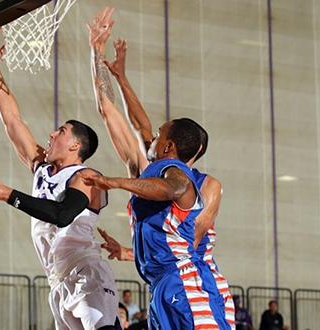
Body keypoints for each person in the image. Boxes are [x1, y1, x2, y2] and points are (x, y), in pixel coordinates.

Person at [87, 7, 233, 329]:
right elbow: (114, 114)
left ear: (170, 148)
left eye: (158, 136)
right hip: (162, 285)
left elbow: (185, 222)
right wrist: (100, 59)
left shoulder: (199, 183)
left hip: (191, 283)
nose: (150, 136)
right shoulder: (154, 167)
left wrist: (113, 182)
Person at [0, 34, 119, 330]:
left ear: (76, 146)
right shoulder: (41, 168)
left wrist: (9, 194)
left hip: (85, 272)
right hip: (57, 278)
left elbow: (62, 215)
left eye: (60, 132)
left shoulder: (87, 177)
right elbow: (12, 119)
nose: (51, 135)